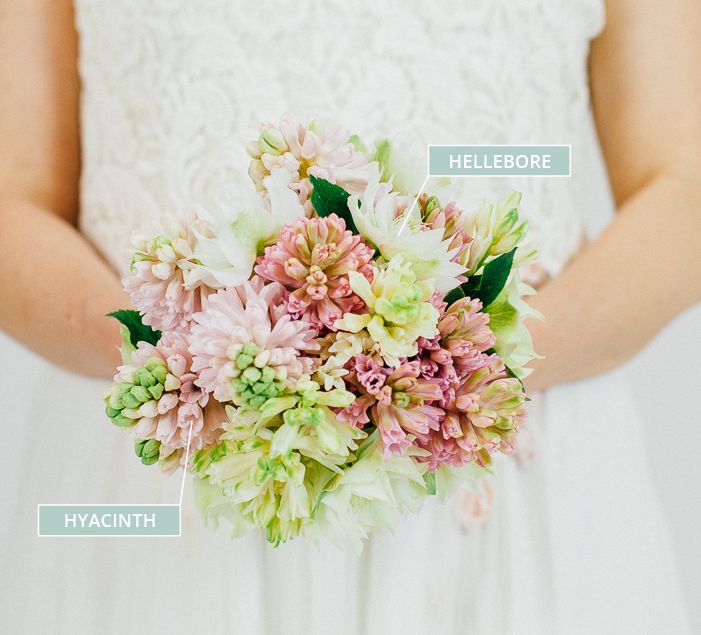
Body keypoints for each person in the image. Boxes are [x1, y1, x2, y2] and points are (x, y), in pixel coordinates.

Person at [0, 0, 698, 632]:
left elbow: (682, 190)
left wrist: (452, 369)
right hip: (177, 474)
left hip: (498, 451)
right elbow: (14, 199)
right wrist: (196, 370)